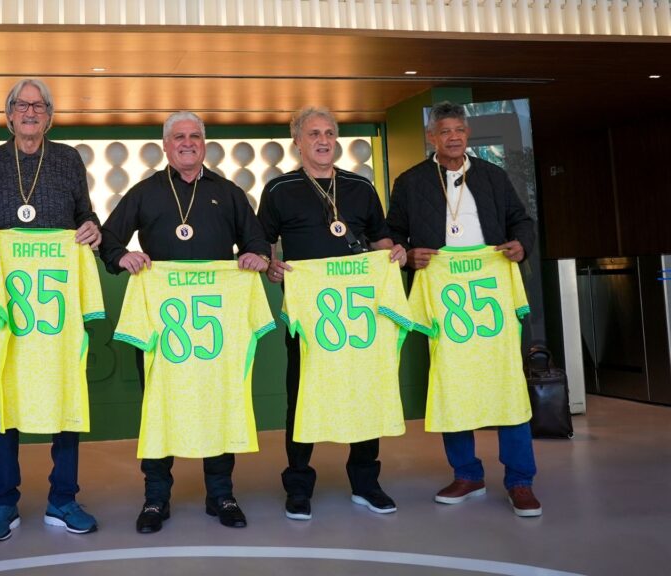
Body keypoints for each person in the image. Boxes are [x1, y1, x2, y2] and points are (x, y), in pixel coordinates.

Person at [100, 111, 270, 534]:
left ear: (205, 144)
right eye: (179, 137)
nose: (188, 142)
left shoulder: (229, 192)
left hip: (218, 324)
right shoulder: (144, 192)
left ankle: (221, 494)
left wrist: (255, 256)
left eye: (195, 136)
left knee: (220, 399)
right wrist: (122, 257)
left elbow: (256, 240)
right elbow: (108, 237)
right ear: (165, 145)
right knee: (158, 406)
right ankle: (156, 498)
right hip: (162, 326)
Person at [0, 78, 102, 541]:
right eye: (21, 105)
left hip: (59, 305)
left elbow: (87, 213)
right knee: (6, 401)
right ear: (8, 114)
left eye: (38, 106)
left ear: (49, 115)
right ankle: (4, 503)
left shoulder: (67, 160)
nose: (30, 112)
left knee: (66, 396)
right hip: (8, 303)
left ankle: (63, 499)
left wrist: (90, 229)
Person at [385, 101, 541, 517]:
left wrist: (521, 245)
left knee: (507, 382)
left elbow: (520, 221)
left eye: (459, 130)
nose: (453, 137)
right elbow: (392, 235)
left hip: (492, 291)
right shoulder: (412, 182)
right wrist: (408, 255)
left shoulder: (493, 176)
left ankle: (520, 480)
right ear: (430, 138)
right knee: (452, 384)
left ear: (467, 135)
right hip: (443, 293)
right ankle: (467, 474)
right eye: (444, 131)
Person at [257, 107, 407, 520]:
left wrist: (393, 252)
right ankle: (299, 484)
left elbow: (380, 238)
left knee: (364, 389)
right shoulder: (279, 189)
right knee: (302, 396)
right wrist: (271, 265)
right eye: (313, 134)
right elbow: (263, 240)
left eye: (329, 133)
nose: (323, 141)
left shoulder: (360, 186)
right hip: (309, 317)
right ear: (297, 141)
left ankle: (366, 482)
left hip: (360, 318)